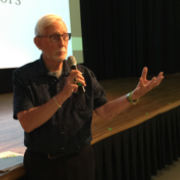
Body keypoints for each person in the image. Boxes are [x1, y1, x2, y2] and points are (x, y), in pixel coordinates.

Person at [13, 14, 164, 180]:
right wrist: (62, 95)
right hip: (43, 166)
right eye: (55, 37)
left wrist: (134, 95)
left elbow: (105, 111)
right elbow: (27, 123)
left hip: (80, 162)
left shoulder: (84, 73)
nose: (63, 42)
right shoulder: (24, 76)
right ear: (38, 42)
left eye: (65, 36)